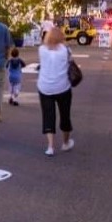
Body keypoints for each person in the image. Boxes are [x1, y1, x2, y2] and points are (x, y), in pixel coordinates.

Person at [37, 27, 74, 156]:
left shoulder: (41, 50)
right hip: (62, 86)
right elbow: (71, 62)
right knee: (65, 114)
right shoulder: (66, 50)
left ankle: (50, 146)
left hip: (45, 86)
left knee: (48, 115)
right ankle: (65, 142)